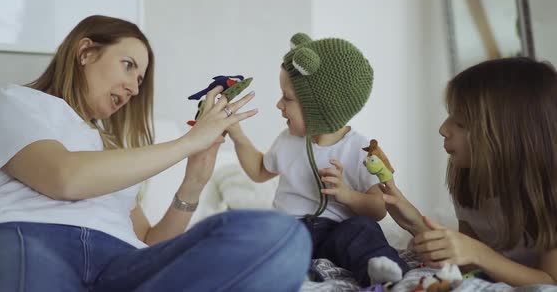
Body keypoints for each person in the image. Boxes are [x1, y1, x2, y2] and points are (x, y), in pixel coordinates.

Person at [0, 15, 312, 292]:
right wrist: (185, 143)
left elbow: (150, 241)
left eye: (140, 79)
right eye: (128, 65)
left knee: (282, 236)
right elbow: (64, 177)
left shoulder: (112, 150)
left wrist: (192, 183)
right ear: (85, 52)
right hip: (28, 239)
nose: (134, 87)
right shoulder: (10, 102)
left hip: (121, 263)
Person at [227, 33, 408, 286]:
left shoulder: (359, 148)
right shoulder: (287, 141)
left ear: (323, 106)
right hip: (290, 230)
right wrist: (236, 134)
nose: (279, 105)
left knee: (362, 230)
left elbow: (378, 209)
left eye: (287, 98)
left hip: (336, 232)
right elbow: (258, 171)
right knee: (256, 231)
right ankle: (300, 274)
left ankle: (383, 275)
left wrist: (348, 195)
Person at [381, 57, 557, 286]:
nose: (443, 129)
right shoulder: (470, 183)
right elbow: (470, 262)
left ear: (510, 138)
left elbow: (549, 282)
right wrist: (416, 224)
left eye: (461, 123)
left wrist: (479, 253)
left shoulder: (550, 195)